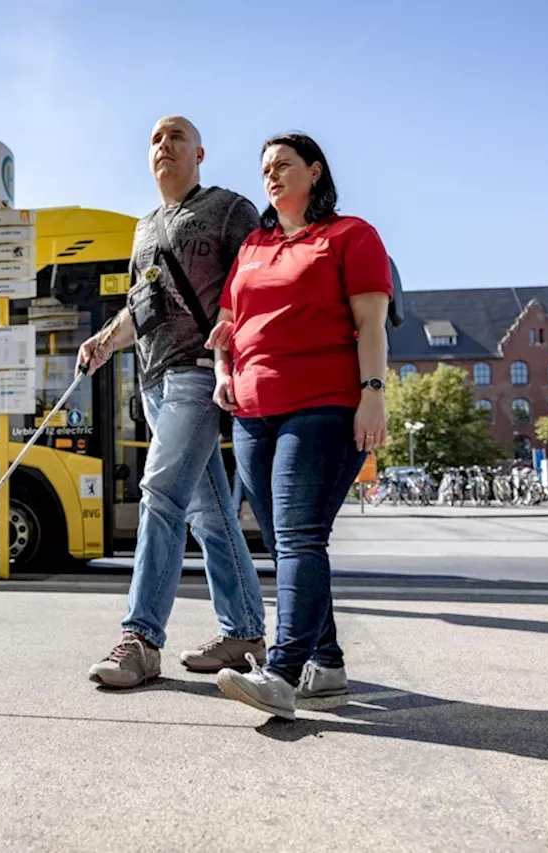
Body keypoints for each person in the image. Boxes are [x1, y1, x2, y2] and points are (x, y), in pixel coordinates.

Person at [76, 115, 267, 688]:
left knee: (159, 495)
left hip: (197, 373)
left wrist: (238, 353)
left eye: (175, 136)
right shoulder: (143, 228)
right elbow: (144, 305)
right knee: (209, 513)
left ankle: (140, 641)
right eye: (156, 139)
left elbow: (257, 278)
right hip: (153, 382)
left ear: (200, 152)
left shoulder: (229, 209)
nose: (164, 145)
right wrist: (106, 340)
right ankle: (244, 632)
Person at [209, 132, 392, 720]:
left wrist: (373, 396)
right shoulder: (254, 246)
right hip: (252, 413)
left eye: (284, 164)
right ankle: (329, 664)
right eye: (265, 167)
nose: (272, 174)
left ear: (314, 172)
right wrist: (221, 374)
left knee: (298, 538)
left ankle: (284, 672)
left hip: (322, 406)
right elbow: (228, 323)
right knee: (291, 542)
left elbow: (371, 324)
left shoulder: (349, 236)